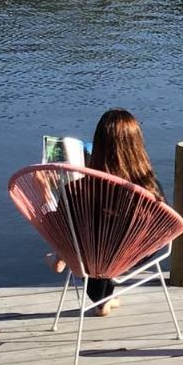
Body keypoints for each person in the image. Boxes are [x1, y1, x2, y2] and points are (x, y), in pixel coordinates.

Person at [45, 108, 165, 316]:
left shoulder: (78, 190)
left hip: (92, 257)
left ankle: (63, 258)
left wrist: (45, 189)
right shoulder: (150, 189)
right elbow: (162, 228)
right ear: (136, 145)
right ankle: (102, 298)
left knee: (79, 235)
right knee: (100, 243)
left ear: (98, 145)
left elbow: (57, 225)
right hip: (134, 256)